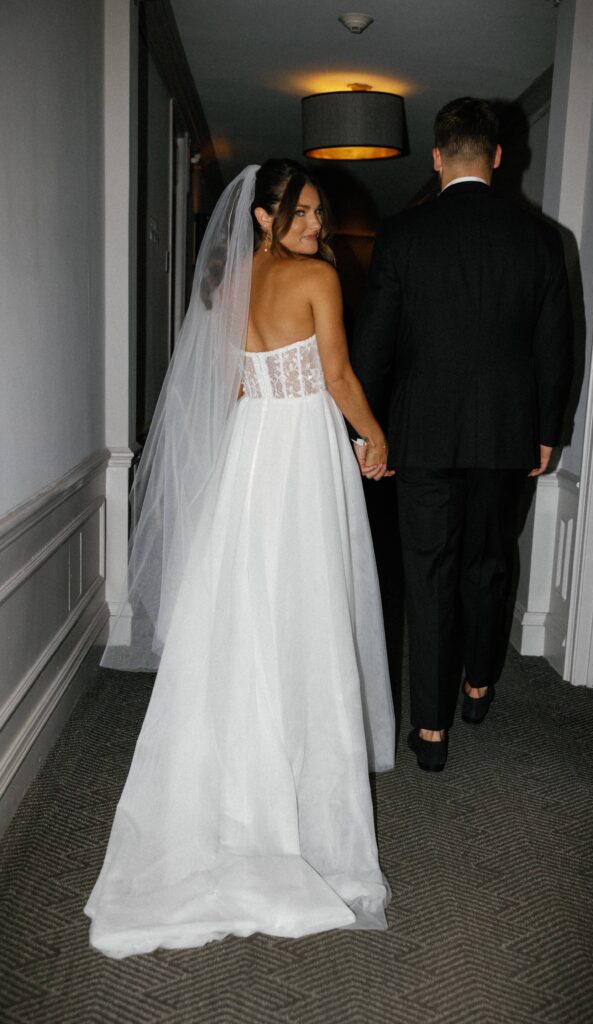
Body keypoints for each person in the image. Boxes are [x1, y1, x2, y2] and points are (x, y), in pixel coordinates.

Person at [85, 160, 395, 958]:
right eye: (299, 213)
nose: (314, 226)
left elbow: (221, 387)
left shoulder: (229, 286)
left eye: (318, 215)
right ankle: (294, 801)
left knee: (245, 613)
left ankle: (234, 795)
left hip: (250, 452)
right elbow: (335, 376)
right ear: (261, 216)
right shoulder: (316, 279)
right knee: (305, 608)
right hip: (299, 452)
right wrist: (374, 435)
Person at [351, 98, 573, 772]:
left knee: (427, 575)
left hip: (419, 435)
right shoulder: (540, 238)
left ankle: (430, 731)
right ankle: (478, 683)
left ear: (438, 157)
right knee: (488, 561)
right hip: (506, 435)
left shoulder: (402, 234)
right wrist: (546, 430)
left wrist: (366, 432)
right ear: (498, 157)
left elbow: (372, 347)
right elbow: (556, 345)